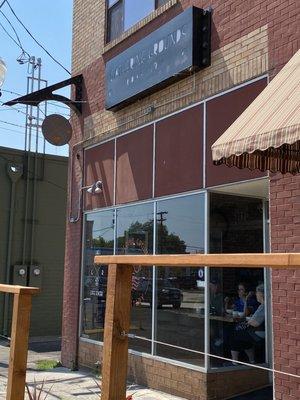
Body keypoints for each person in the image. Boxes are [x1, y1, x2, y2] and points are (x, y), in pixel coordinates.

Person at [228, 283, 265, 364]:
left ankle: (234, 362)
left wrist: (249, 321)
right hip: (254, 330)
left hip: (258, 331)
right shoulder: (262, 305)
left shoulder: (264, 306)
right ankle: (251, 361)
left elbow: (255, 323)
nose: (256, 294)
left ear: (261, 294)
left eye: (257, 292)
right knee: (240, 335)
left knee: (234, 335)